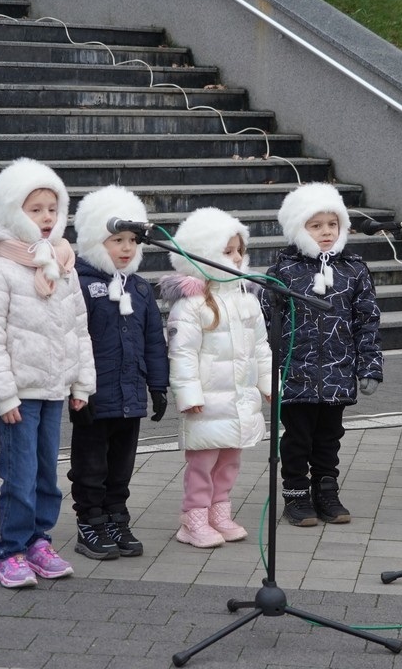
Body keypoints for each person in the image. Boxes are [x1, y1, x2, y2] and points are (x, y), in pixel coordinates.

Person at [0, 158, 96, 588]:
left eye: (51, 208)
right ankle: (10, 550)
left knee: (47, 471)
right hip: (19, 393)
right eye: (34, 208)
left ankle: (39, 540)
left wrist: (81, 382)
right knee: (19, 473)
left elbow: (79, 328)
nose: (45, 217)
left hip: (53, 387)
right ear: (11, 213)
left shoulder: (63, 266)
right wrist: (3, 394)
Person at [261, 183, 382, 526]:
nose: (326, 232)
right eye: (316, 226)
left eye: (333, 224)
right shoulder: (283, 271)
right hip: (295, 373)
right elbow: (268, 323)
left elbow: (368, 320)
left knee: (329, 438)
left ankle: (326, 491)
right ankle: (296, 495)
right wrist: (270, 370)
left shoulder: (354, 270)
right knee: (297, 438)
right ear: (299, 230)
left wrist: (369, 365)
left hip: (337, 372)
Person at [67, 185, 169, 560]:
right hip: (93, 396)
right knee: (90, 464)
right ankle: (89, 521)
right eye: (116, 240)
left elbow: (154, 341)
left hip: (130, 397)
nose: (126, 248)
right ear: (96, 241)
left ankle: (116, 517)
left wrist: (158, 386)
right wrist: (79, 389)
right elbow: (73, 341)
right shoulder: (79, 285)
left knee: (121, 465)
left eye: (132, 240)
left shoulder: (140, 289)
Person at [160, 207, 271, 548]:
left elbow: (261, 347)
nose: (237, 257)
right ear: (205, 254)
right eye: (227, 251)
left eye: (240, 250)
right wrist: (189, 394)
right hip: (208, 400)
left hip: (238, 397)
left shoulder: (245, 299)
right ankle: (193, 518)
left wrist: (268, 383)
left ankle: (219, 511)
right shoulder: (192, 304)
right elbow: (182, 352)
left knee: (229, 460)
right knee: (203, 461)